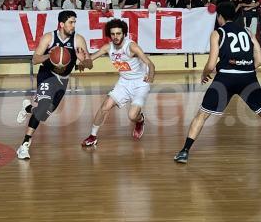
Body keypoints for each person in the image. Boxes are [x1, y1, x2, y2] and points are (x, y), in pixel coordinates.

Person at [174, 1, 261, 164]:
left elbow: (212, 64)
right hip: (248, 77)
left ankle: (184, 151)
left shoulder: (217, 33)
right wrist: (246, 68)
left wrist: (204, 74)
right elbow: (260, 60)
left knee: (203, 114)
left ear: (219, 17)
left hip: (225, 79)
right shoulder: (247, 32)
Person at [16, 10, 90, 160]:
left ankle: (28, 108)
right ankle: (24, 145)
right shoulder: (49, 37)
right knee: (43, 107)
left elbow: (89, 64)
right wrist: (52, 55)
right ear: (61, 24)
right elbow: (35, 59)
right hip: (47, 75)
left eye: (74, 22)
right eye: (71, 22)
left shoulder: (78, 40)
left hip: (63, 79)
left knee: (44, 113)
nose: (73, 25)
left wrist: (84, 61)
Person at [81, 19, 156, 147]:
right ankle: (93, 136)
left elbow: (149, 63)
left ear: (124, 34)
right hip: (124, 82)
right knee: (105, 107)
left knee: (132, 116)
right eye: (113, 34)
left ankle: (140, 120)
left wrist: (151, 76)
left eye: (118, 33)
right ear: (109, 35)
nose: (116, 37)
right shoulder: (108, 48)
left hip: (140, 83)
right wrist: (83, 62)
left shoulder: (131, 46)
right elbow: (90, 60)